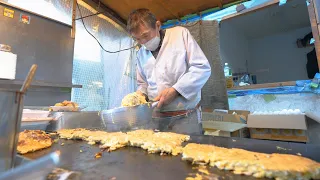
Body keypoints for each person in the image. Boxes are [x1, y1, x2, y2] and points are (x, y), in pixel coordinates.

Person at [127, 9, 211, 134]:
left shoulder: (180, 35)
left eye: (145, 35)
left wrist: (175, 90)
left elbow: (201, 68)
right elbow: (143, 84)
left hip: (186, 116)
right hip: (157, 117)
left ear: (157, 25)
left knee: (188, 150)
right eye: (138, 39)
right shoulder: (140, 54)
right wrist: (138, 96)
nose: (143, 42)